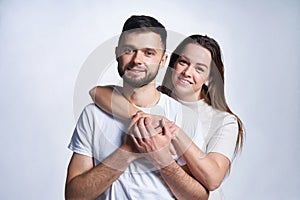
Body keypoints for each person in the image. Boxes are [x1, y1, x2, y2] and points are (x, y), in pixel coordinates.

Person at [65, 15, 209, 200]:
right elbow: (73, 196)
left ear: (163, 59)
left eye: (149, 53)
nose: (137, 60)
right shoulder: (93, 114)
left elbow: (199, 198)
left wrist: (162, 159)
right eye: (129, 50)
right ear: (117, 53)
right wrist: (127, 151)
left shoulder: (184, 117)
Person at [90, 34, 245, 199]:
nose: (187, 72)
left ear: (210, 78)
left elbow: (212, 179)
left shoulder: (224, 121)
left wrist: (174, 131)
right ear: (173, 64)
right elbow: (97, 92)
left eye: (199, 69)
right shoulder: (153, 97)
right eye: (183, 62)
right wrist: (143, 117)